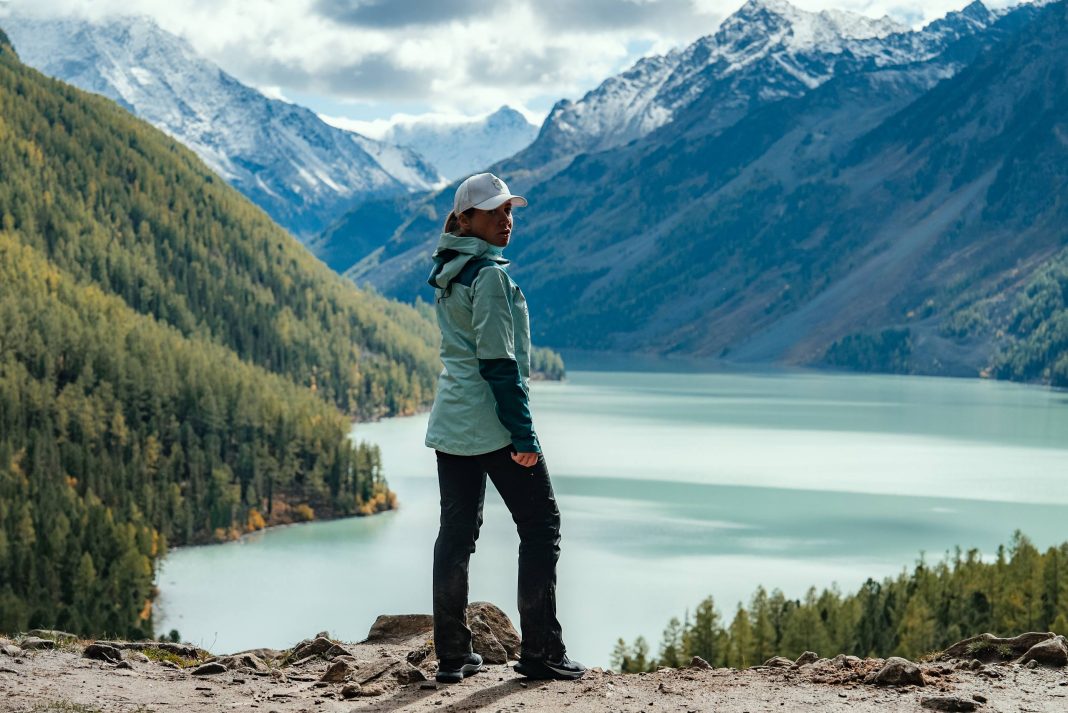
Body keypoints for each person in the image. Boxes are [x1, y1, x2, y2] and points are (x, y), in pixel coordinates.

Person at [425, 172, 586, 684]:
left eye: (509, 211)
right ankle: (541, 653)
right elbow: (498, 363)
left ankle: (453, 656)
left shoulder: (450, 270)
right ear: (466, 219)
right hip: (492, 424)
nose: (506, 220)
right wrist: (524, 438)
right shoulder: (489, 277)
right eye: (494, 212)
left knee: (456, 536)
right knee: (541, 528)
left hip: (452, 421)